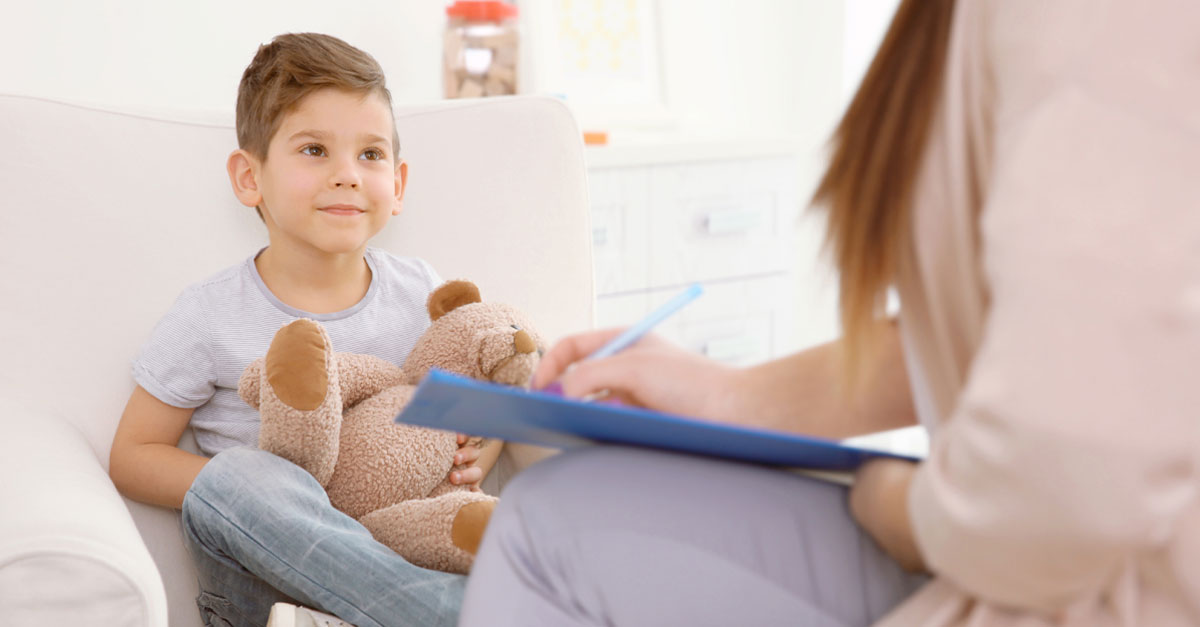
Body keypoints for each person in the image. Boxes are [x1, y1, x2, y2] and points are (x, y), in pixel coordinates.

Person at [459, 0, 1200, 625]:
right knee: (558, 507)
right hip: (1052, 541)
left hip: (1112, 579)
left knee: (544, 527)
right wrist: (733, 395)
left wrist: (902, 505)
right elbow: (1044, 334)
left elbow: (1065, 474)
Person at [108, 33, 495, 627]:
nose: (347, 174)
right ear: (248, 177)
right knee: (238, 476)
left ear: (398, 184)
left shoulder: (420, 290)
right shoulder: (209, 311)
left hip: (404, 539)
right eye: (314, 150)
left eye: (370, 155)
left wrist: (476, 451)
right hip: (267, 594)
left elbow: (476, 404)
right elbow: (134, 455)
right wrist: (277, 496)